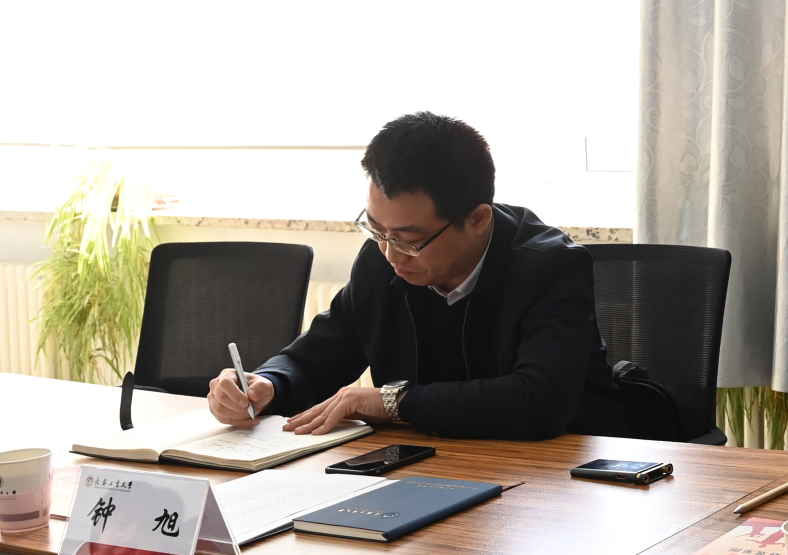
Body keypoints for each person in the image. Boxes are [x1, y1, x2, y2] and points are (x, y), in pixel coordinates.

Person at [206, 112, 628, 440]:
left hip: (558, 474)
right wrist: (268, 384)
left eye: (409, 240)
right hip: (429, 464)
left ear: (478, 219)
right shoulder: (380, 259)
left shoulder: (550, 267)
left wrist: (392, 402)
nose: (390, 253)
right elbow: (314, 358)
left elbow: (537, 402)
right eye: (376, 229)